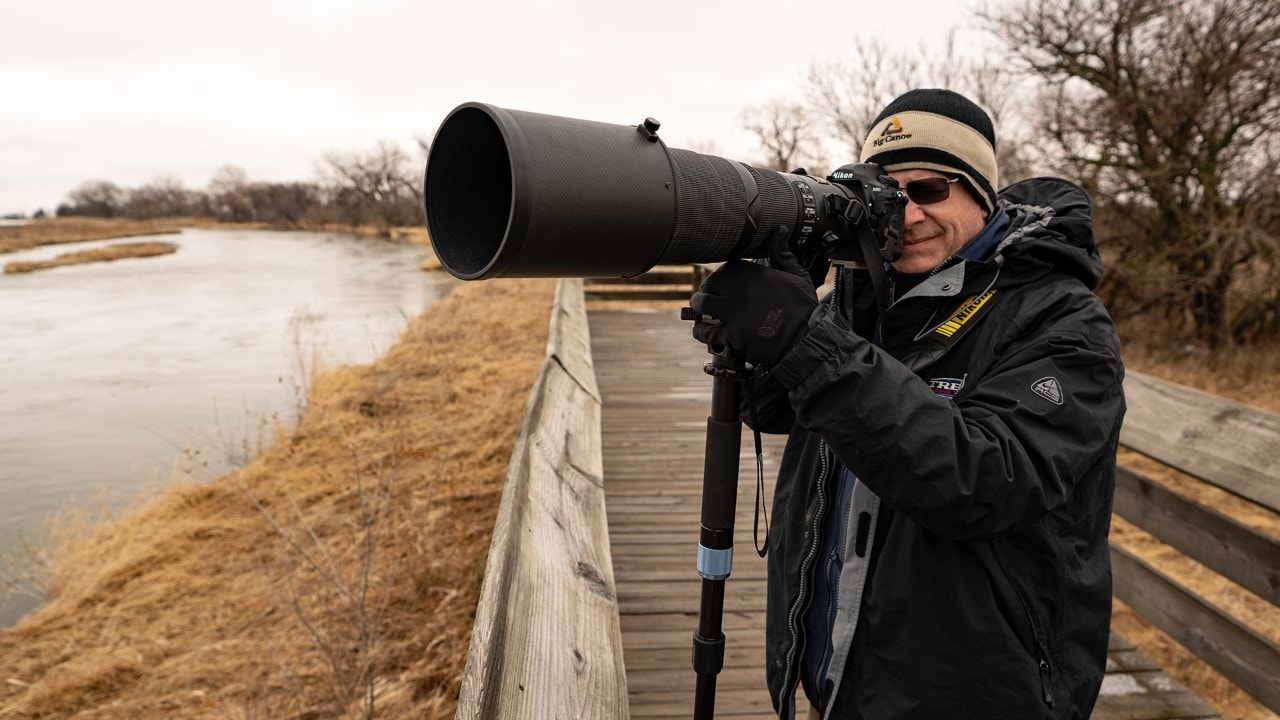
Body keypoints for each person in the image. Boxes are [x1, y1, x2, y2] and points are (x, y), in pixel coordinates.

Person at [689, 88, 1126, 720]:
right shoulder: (866, 296)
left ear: (982, 196)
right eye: (889, 197)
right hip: (839, 673)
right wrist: (765, 330)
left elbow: (987, 478)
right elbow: (774, 411)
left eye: (930, 191)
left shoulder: (1061, 318)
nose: (909, 216)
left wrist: (804, 340)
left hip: (973, 692)